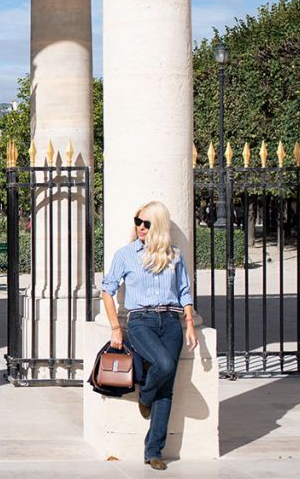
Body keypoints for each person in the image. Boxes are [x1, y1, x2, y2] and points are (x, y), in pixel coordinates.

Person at [100, 201, 197, 471]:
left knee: (167, 388)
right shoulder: (126, 255)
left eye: (147, 223)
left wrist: (189, 322)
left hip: (171, 321)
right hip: (141, 321)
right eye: (137, 221)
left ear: (159, 226)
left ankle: (154, 450)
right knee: (164, 366)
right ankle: (144, 397)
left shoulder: (174, 255)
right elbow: (107, 290)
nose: (141, 227)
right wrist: (115, 327)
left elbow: (184, 291)